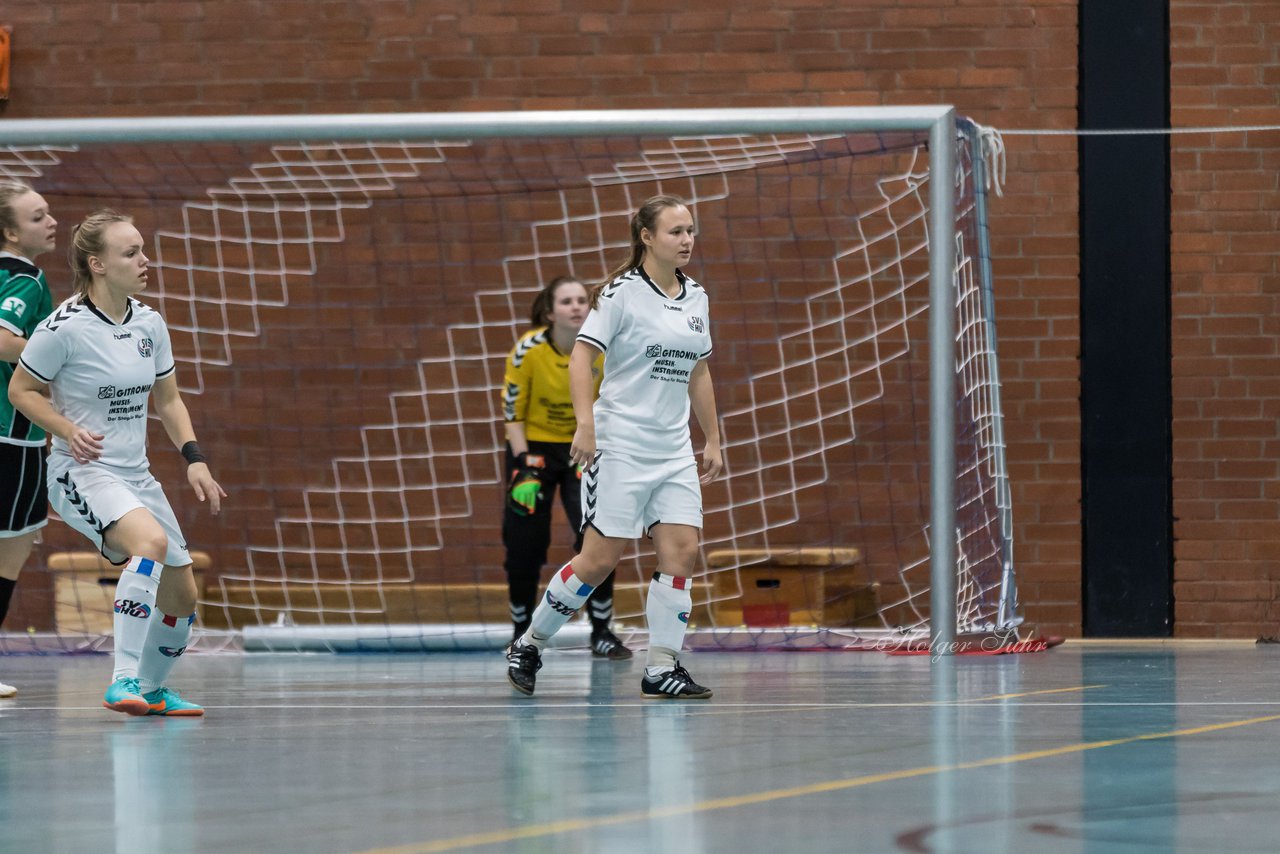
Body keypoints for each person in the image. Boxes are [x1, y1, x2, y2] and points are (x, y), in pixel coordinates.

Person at [9, 210, 225, 716]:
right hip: (80, 470)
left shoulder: (149, 323)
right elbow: (22, 390)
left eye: (142, 249)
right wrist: (67, 430)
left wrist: (194, 459)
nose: (144, 260)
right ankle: (122, 678)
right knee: (147, 544)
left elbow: (169, 401)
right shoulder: (62, 327)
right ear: (97, 264)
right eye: (130, 252)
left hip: (137, 475)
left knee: (182, 594)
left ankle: (150, 689)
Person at [505, 194, 722, 699]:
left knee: (683, 551)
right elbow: (583, 357)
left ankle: (661, 667)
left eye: (691, 230)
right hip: (621, 444)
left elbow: (700, 371)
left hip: (672, 450)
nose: (687, 239)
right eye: (675, 231)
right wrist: (587, 424)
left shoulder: (697, 297)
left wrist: (711, 437)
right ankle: (529, 643)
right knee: (598, 559)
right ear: (647, 237)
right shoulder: (618, 293)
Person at [501, 275, 632, 660]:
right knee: (524, 542)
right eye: (566, 301)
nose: (576, 307)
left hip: (584, 448)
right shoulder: (528, 350)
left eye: (581, 300)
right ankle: (520, 631)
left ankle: (602, 631)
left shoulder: (603, 350)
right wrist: (524, 462)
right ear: (548, 311)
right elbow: (512, 413)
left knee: (595, 536)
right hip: (534, 451)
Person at [0, 180, 58, 699]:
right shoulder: (26, 277)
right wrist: (58, 364)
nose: (52, 222)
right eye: (38, 217)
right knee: (10, 551)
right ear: (11, 231)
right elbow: (1, 339)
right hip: (10, 437)